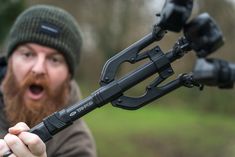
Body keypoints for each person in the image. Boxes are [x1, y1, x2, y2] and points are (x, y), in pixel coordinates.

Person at [0, 4, 97, 157]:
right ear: (10, 60)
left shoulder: (76, 144)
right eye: (27, 54)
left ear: (68, 75)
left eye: (54, 59)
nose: (38, 69)